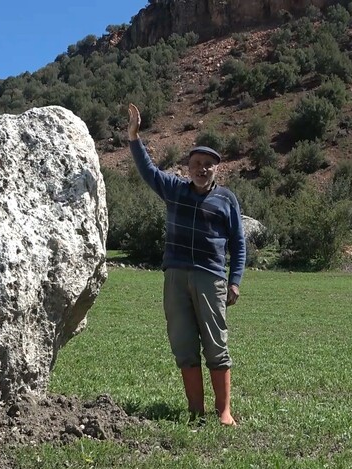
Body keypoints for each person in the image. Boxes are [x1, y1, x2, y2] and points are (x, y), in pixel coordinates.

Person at [126, 103, 246, 426]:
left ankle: (224, 412)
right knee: (183, 344)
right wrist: (135, 137)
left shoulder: (227, 200)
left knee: (216, 345)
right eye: (197, 163)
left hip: (211, 279)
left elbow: (238, 243)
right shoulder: (175, 190)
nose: (202, 169)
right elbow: (149, 172)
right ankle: (196, 411)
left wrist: (234, 281)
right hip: (176, 277)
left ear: (217, 169)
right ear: (188, 167)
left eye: (208, 164)